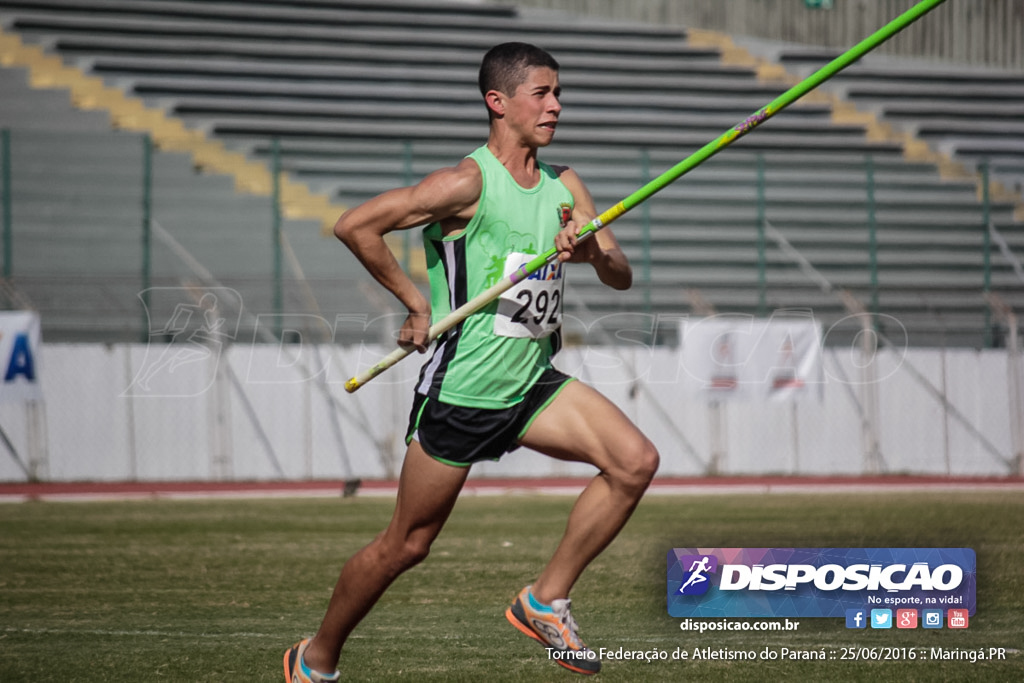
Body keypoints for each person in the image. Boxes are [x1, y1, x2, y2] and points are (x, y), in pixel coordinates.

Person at [284, 42, 659, 681]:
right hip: (464, 391)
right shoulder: (466, 184)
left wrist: (593, 250)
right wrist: (415, 303)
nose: (556, 106)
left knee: (634, 462)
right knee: (407, 544)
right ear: (498, 102)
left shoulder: (565, 185)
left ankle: (545, 600)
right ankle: (315, 658)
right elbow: (355, 226)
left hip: (532, 382)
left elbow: (622, 275)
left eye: (558, 93)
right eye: (541, 93)